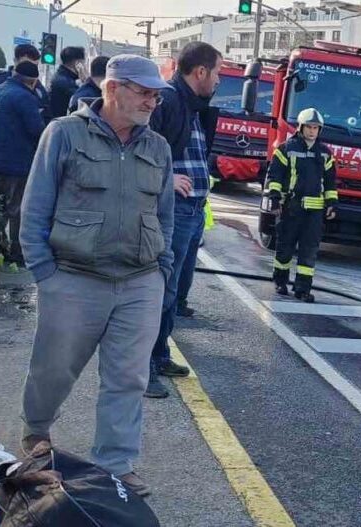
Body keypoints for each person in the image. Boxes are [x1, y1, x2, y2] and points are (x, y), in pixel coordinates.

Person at [17, 55, 174, 498]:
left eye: (156, 95)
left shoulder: (158, 147)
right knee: (54, 368)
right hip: (73, 277)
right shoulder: (64, 134)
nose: (151, 102)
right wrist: (45, 274)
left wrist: (162, 271)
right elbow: (34, 208)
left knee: (128, 378)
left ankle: (114, 465)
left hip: (140, 280)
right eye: (143, 93)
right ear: (113, 88)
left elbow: (164, 216)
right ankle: (36, 431)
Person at [145, 41, 221, 399]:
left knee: (171, 290)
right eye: (217, 72)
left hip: (191, 209)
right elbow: (144, 148)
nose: (219, 81)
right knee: (159, 289)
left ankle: (160, 354)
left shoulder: (190, 104)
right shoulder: (171, 100)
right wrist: (168, 179)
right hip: (175, 207)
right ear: (201, 72)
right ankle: (143, 367)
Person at [0, 61, 47, 263]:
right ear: (33, 82)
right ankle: (17, 253)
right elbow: (37, 130)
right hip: (14, 163)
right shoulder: (25, 97)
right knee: (17, 209)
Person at [265, 108, 338, 303]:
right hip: (291, 207)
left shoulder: (325, 153)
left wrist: (332, 203)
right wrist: (274, 197)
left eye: (316, 128)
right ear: (301, 127)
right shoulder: (286, 149)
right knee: (285, 246)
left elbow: (330, 182)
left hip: (314, 212)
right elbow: (275, 176)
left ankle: (302, 288)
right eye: (309, 127)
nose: (312, 131)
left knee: (309, 250)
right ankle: (280, 281)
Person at [0, 43, 49, 122]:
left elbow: (46, 112)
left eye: (34, 66)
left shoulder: (38, 87)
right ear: (15, 61)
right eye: (26, 64)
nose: (30, 69)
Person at [49, 46, 85, 118]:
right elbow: (82, 100)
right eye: (84, 63)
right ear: (78, 64)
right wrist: (84, 80)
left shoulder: (62, 77)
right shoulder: (65, 82)